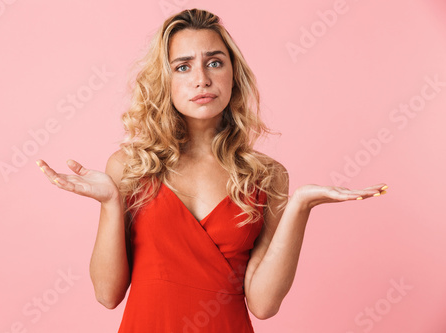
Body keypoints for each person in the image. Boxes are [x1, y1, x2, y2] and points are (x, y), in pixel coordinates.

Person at [36, 8, 388, 332]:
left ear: (233, 74)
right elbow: (106, 294)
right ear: (166, 80)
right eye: (183, 66)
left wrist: (301, 206)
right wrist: (111, 203)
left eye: (215, 63)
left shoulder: (266, 176)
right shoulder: (130, 167)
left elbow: (264, 305)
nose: (201, 79)